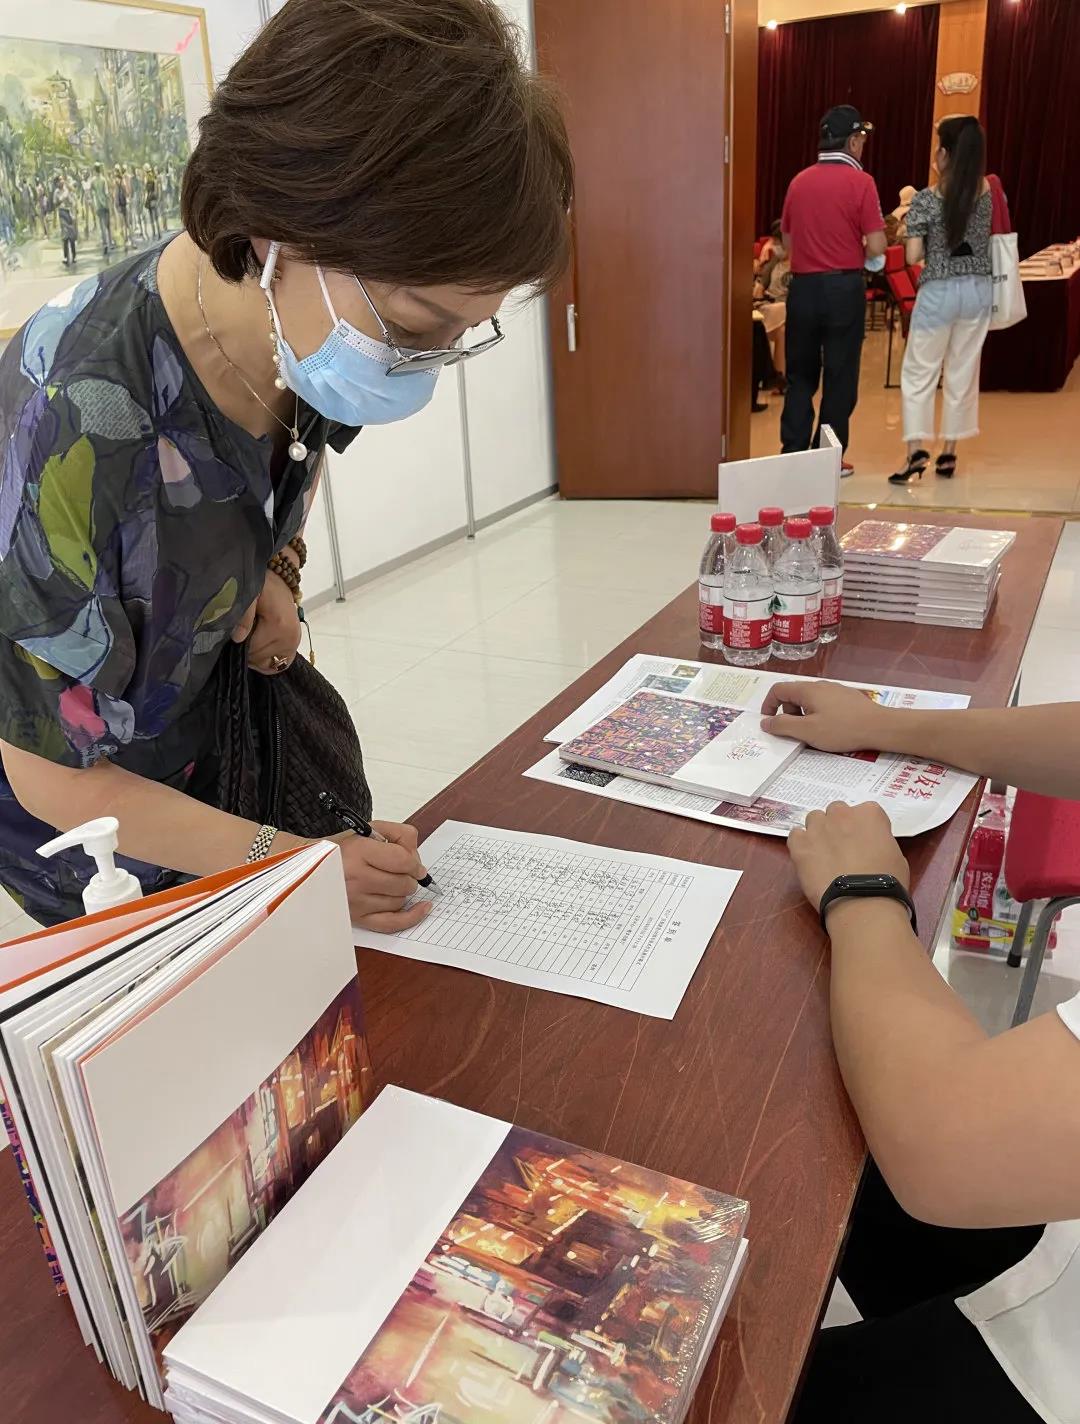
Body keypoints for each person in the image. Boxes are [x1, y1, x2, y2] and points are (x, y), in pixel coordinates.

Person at [0, 0, 572, 928]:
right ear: (275, 232)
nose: (423, 363)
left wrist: (274, 566)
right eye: (417, 325)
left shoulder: (300, 332)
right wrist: (293, 865)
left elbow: (279, 475)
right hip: (98, 836)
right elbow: (51, 777)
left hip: (220, 752)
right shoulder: (76, 418)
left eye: (463, 334)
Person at [758, 679, 1080, 1423]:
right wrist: (882, 725)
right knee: (811, 1112)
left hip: (1050, 1366)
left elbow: (948, 1152)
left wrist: (863, 893)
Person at [889, 117, 1000, 485]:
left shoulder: (926, 199)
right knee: (962, 370)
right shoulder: (987, 192)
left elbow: (912, 256)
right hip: (978, 291)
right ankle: (949, 452)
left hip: (938, 291)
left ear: (944, 153)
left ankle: (916, 451)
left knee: (919, 372)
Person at [779, 105, 886, 471]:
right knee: (839, 376)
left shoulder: (798, 181)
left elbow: (788, 242)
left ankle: (792, 453)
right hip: (843, 289)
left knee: (800, 375)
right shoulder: (862, 182)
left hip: (803, 289)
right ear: (853, 141)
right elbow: (877, 245)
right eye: (862, 139)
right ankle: (825, 459)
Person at [753, 232, 790, 392]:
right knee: (781, 311)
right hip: (771, 305)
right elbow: (759, 289)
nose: (776, 247)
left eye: (778, 243)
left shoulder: (801, 263)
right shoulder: (774, 262)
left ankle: (776, 379)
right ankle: (774, 378)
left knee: (782, 331)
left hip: (791, 307)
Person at [90, 162, 113, 255]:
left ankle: (105, 244)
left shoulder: (93, 181)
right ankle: (110, 242)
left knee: (102, 225)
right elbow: (106, 193)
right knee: (108, 225)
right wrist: (110, 203)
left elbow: (92, 193)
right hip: (105, 204)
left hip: (98, 205)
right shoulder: (103, 179)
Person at [56, 176, 78, 268]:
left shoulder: (67, 189)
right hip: (62, 212)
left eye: (62, 180)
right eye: (60, 180)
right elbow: (56, 203)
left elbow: (73, 201)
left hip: (69, 212)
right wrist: (61, 199)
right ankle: (66, 257)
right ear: (57, 183)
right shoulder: (56, 192)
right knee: (65, 236)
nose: (61, 181)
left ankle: (74, 255)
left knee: (71, 236)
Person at [114, 164, 131, 248]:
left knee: (123, 222)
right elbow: (126, 192)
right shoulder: (122, 180)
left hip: (120, 203)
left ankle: (125, 238)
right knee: (126, 221)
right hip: (124, 202)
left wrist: (116, 202)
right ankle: (128, 238)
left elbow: (116, 194)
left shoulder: (116, 181)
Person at [143, 164, 161, 241]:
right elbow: (156, 191)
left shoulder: (147, 180)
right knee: (155, 217)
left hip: (150, 200)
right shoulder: (154, 179)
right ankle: (158, 233)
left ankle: (155, 233)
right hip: (153, 200)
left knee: (152, 218)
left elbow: (146, 191)